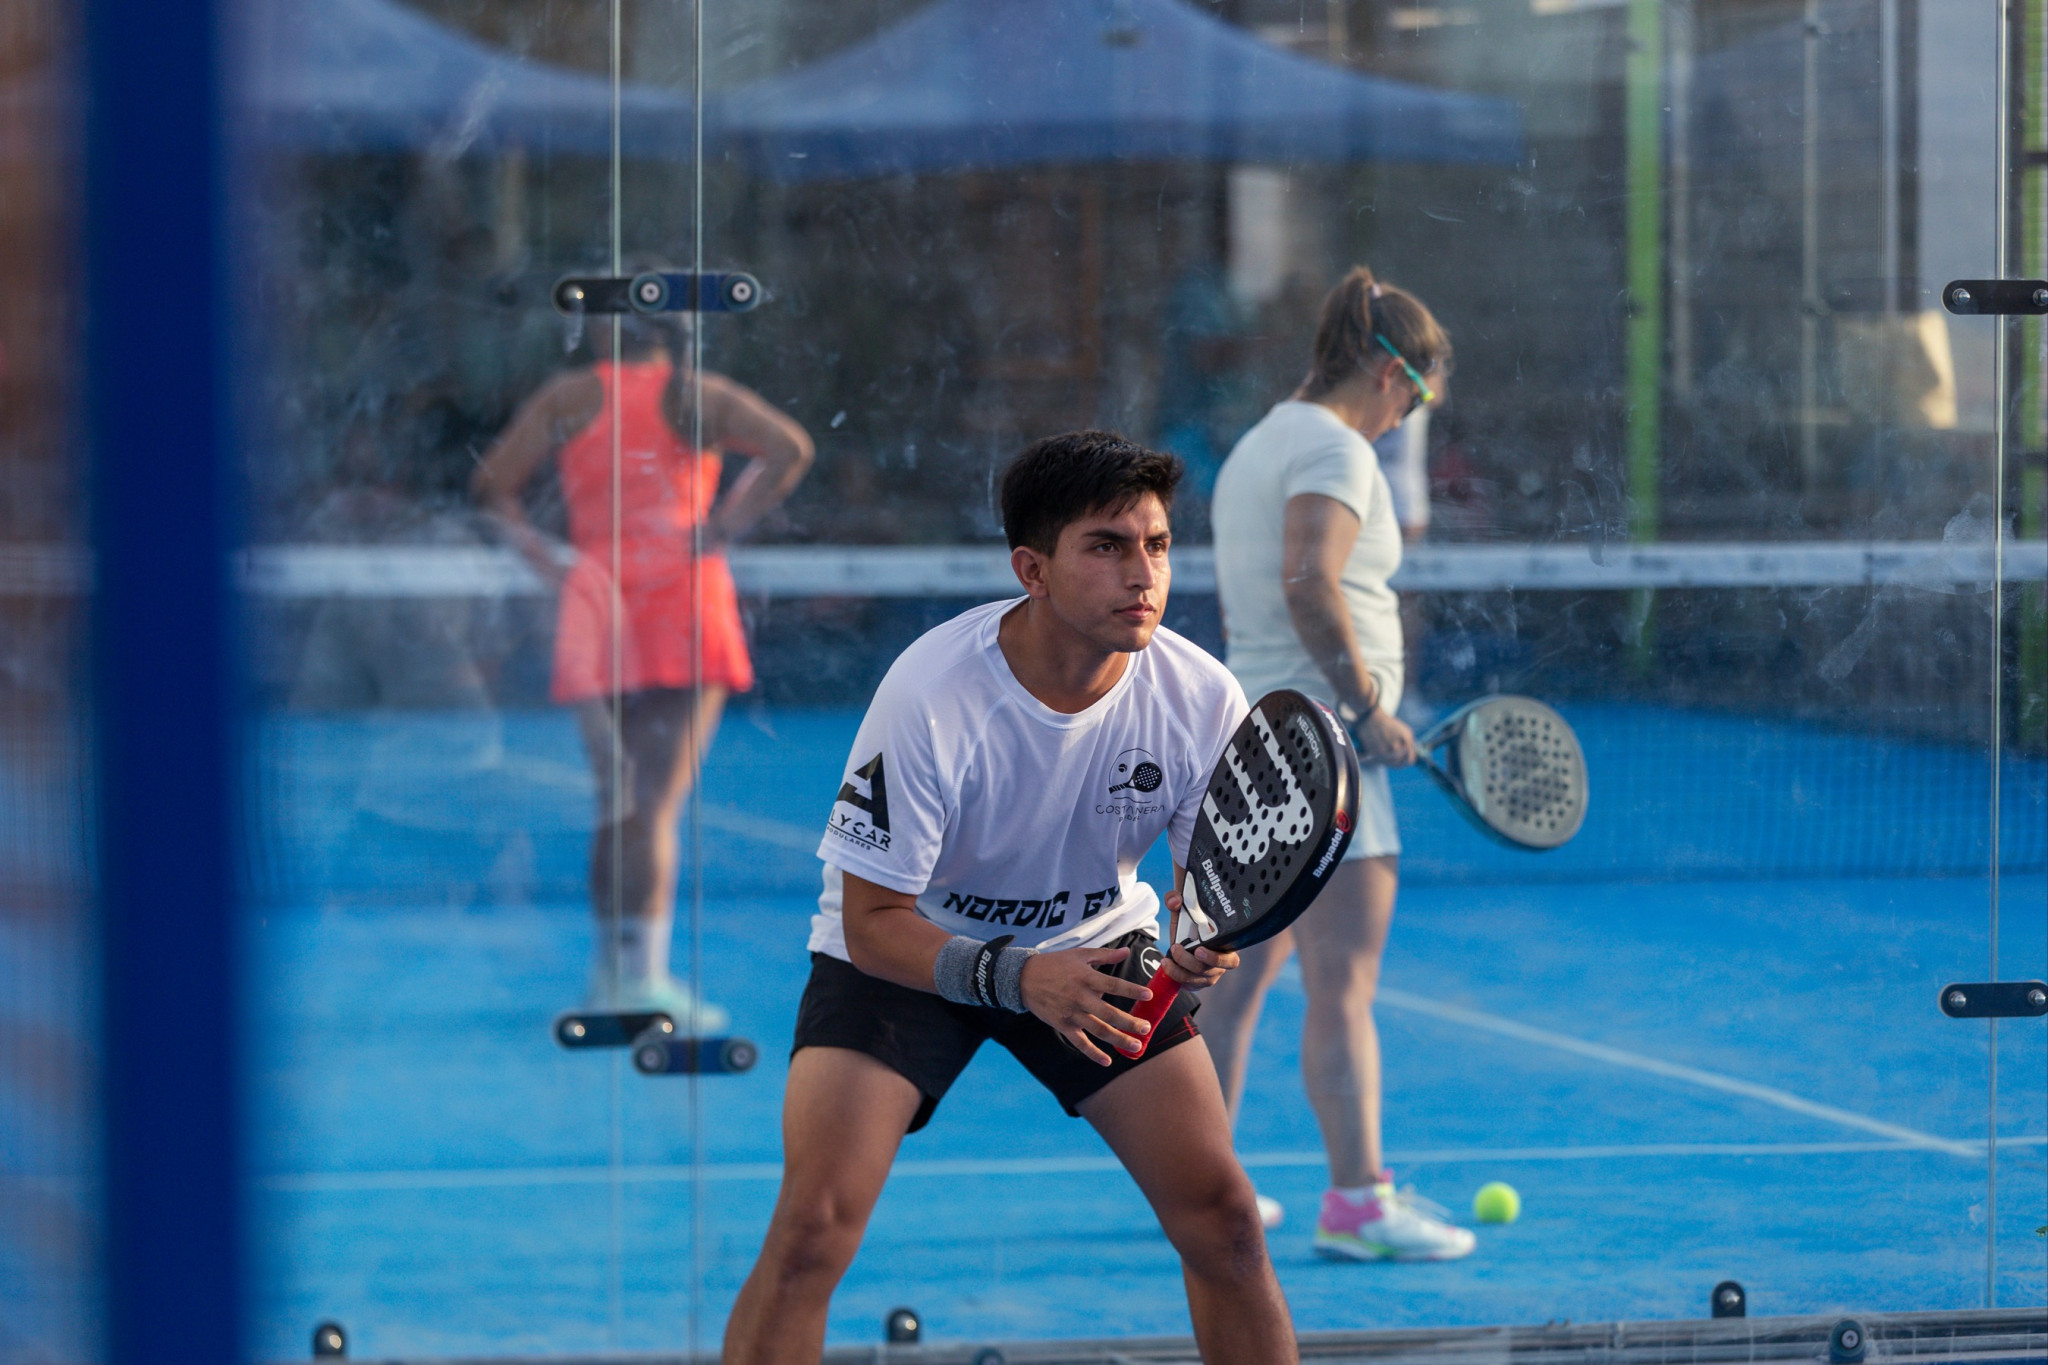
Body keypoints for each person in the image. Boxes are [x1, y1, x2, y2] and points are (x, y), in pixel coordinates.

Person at [722, 432, 1296, 1365]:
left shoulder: (1199, 694)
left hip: (1100, 952)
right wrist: (1021, 976)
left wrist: (1201, 941)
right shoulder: (931, 693)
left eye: (1156, 544)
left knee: (1227, 1223)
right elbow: (870, 925)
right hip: (909, 952)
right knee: (811, 1233)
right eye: (1106, 546)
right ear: (1032, 569)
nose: (1142, 574)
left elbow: (1202, 890)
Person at [1202, 266, 1474, 1261]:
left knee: (1231, 986)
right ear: (1387, 370)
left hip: (1253, 745)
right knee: (1341, 984)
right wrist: (1366, 710)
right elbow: (1309, 583)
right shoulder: (1336, 449)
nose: (1410, 414)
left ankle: (1201, 1187)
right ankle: (1359, 1204)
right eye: (1417, 393)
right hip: (1326, 756)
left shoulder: (1257, 444)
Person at [473, 304, 812, 1030]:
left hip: (603, 602)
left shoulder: (570, 396)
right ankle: (641, 977)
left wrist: (550, 564)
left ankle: (617, 974)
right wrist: (721, 526)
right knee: (652, 806)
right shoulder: (698, 395)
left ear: (603, 328)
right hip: (682, 604)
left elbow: (492, 485)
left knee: (620, 802)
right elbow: (791, 449)